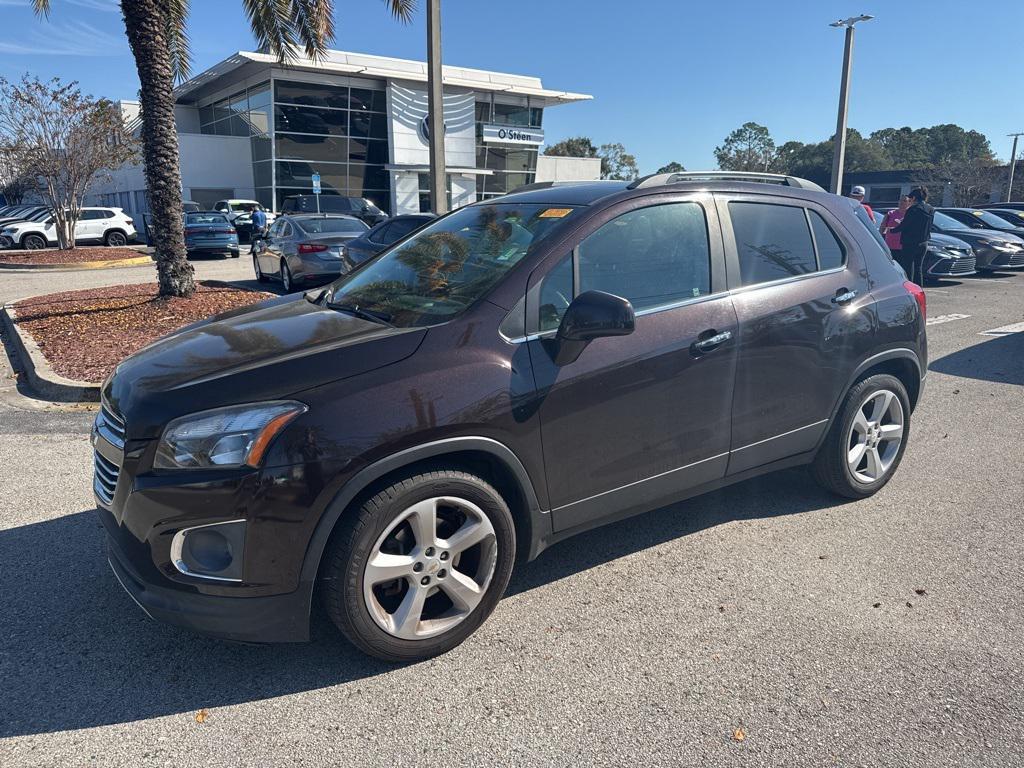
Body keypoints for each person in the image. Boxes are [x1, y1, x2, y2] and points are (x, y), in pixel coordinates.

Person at [891, 187, 934, 285]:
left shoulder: (913, 209)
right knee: (918, 267)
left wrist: (892, 230)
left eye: (910, 199)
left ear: (914, 198)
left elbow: (905, 224)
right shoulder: (930, 209)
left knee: (908, 267)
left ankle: (910, 289)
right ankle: (919, 289)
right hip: (923, 242)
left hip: (910, 242)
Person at [881, 195, 912, 269]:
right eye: (900, 200)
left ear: (909, 203)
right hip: (890, 246)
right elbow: (882, 228)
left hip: (903, 246)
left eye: (904, 201)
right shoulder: (890, 213)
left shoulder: (910, 215)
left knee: (902, 268)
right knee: (890, 267)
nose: (901, 202)